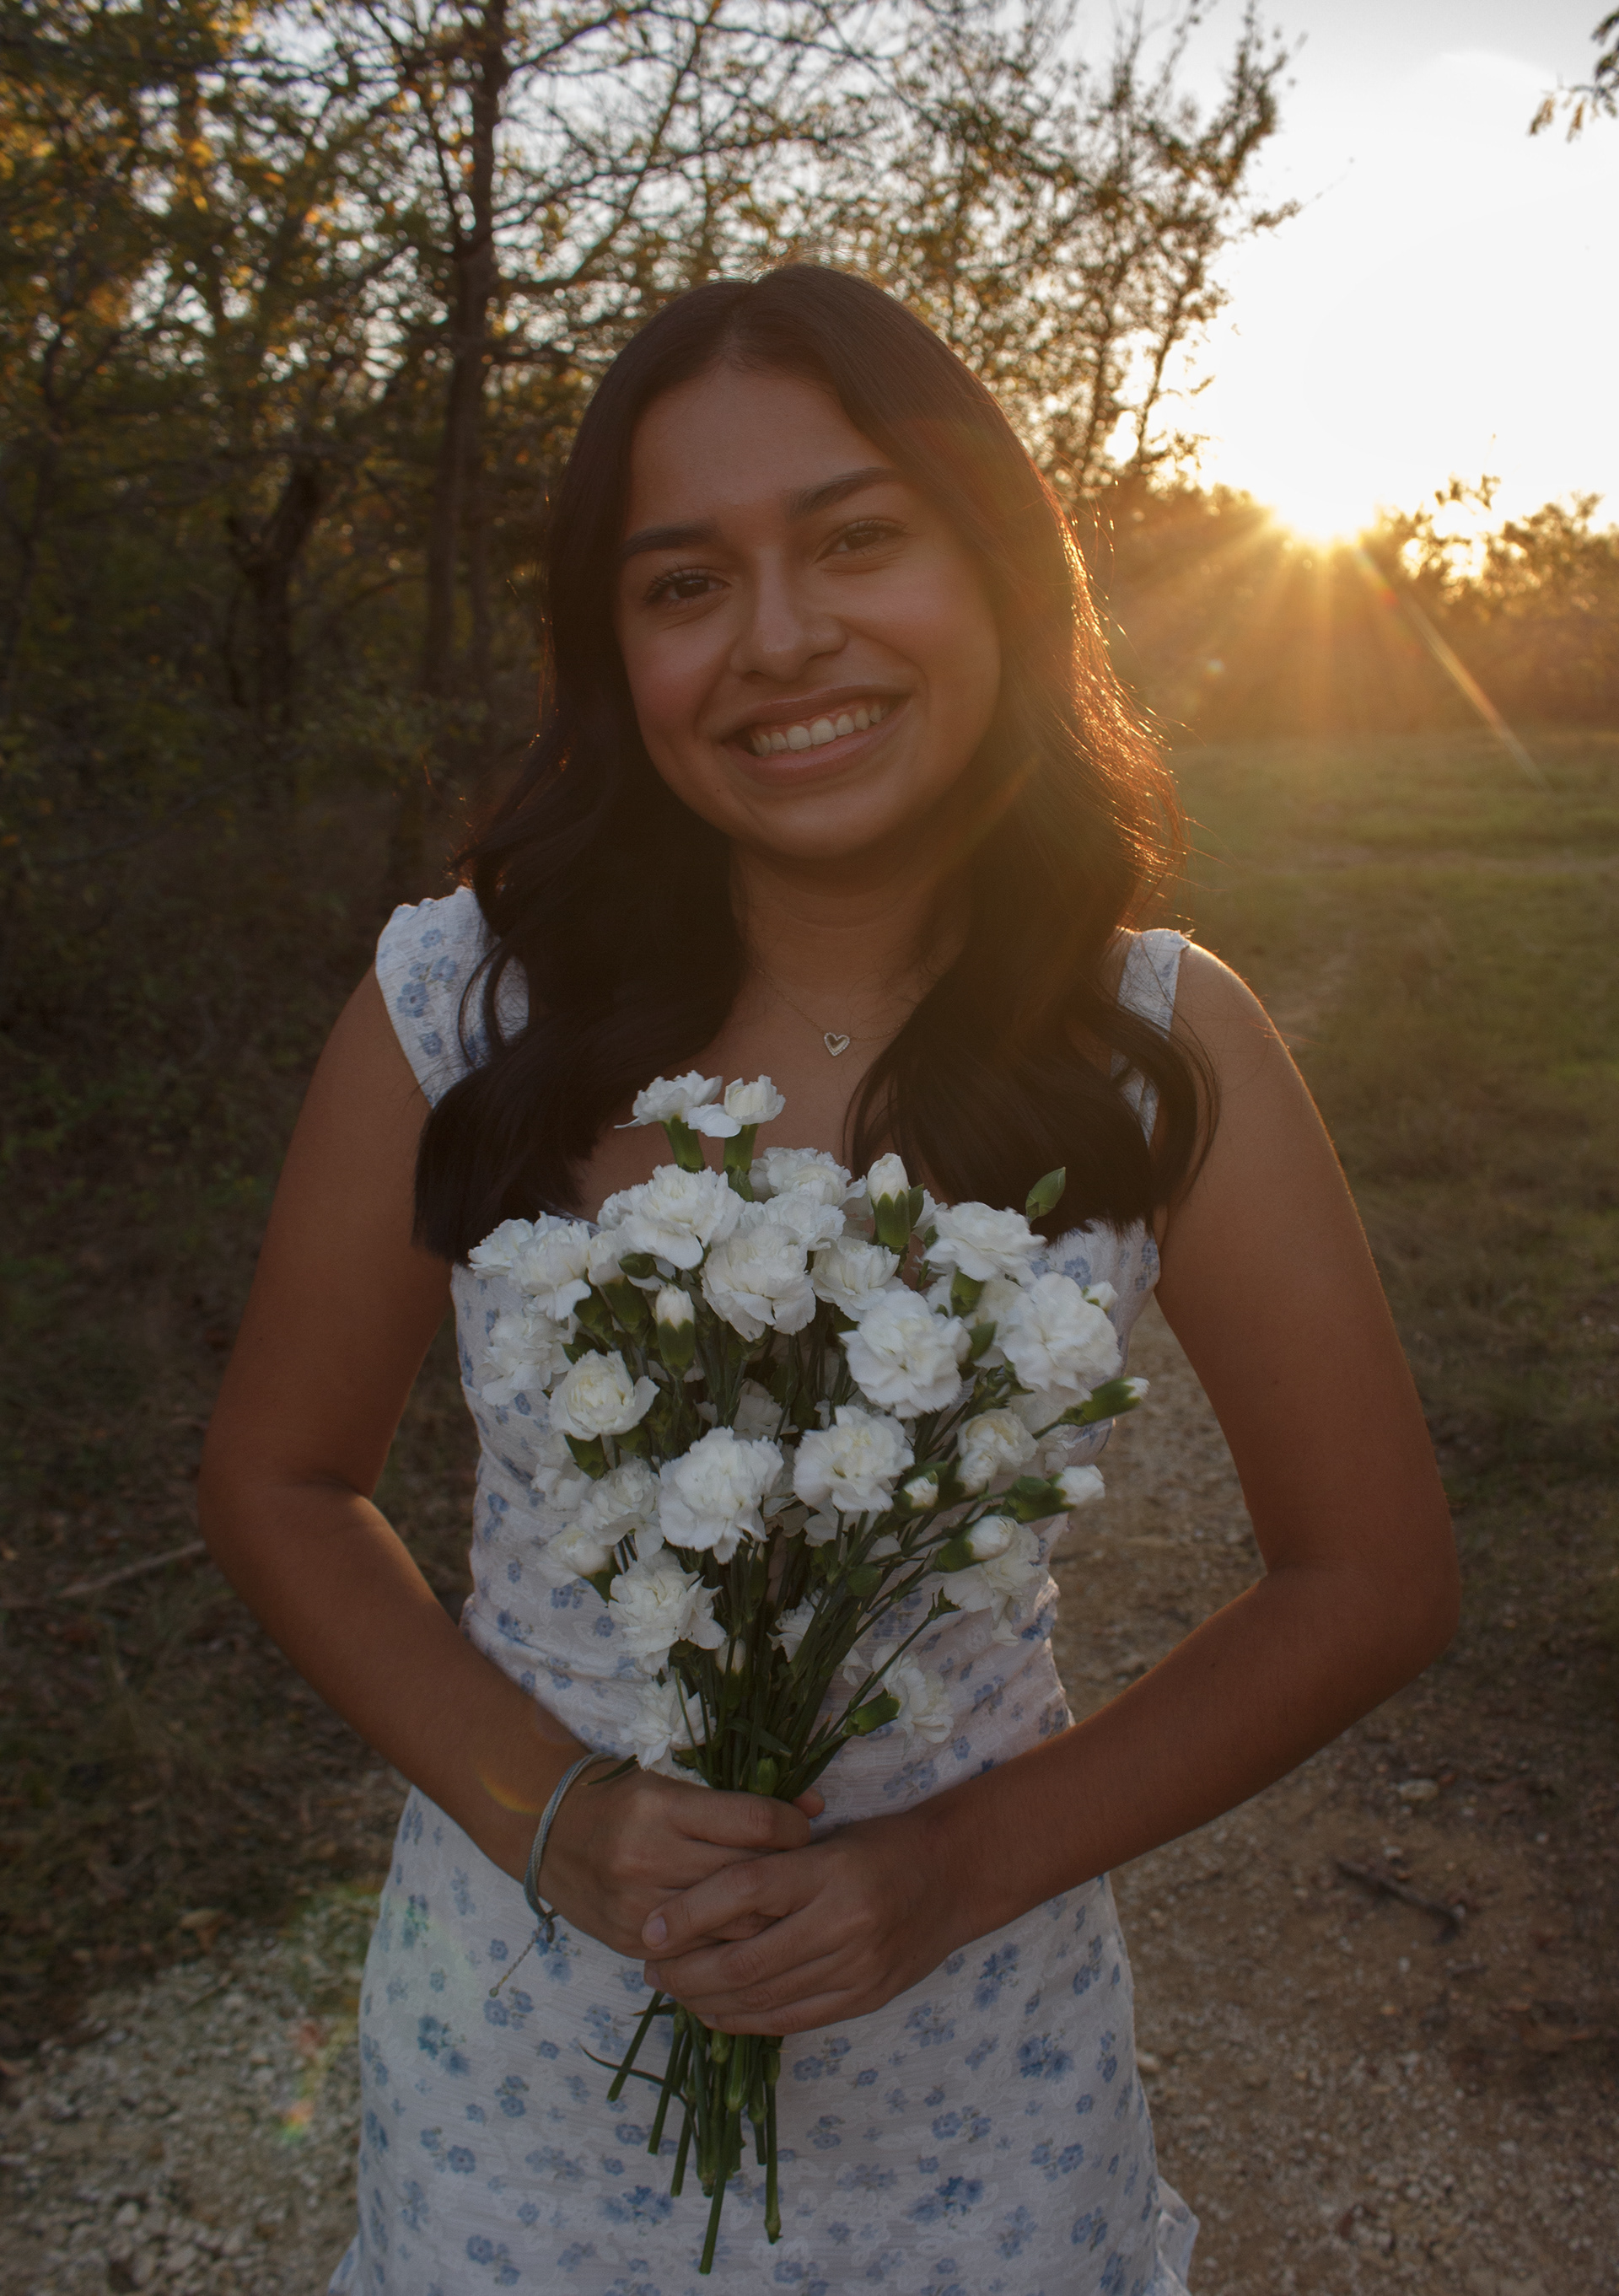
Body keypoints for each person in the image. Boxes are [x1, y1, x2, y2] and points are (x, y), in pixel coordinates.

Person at [198, 264, 1457, 2295]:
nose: (781, 639)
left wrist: (950, 1868)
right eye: (683, 583)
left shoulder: (1155, 1038)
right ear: (616, 654)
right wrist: (567, 1813)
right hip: (520, 2057)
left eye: (858, 537)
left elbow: (1374, 1579)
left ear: (999, 571)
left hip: (972, 2078)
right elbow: (278, 1482)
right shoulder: (461, 1005)